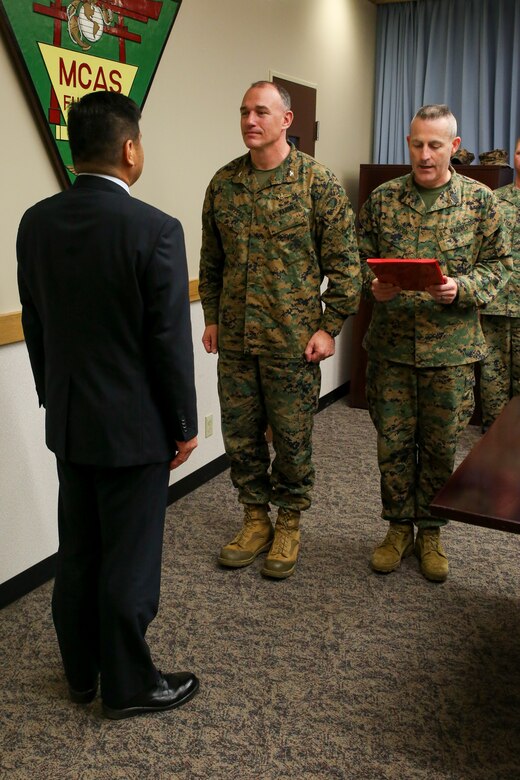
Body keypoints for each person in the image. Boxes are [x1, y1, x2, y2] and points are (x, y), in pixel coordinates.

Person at [17, 91, 199, 719]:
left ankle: (80, 673)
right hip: (135, 430)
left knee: (79, 551)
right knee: (129, 561)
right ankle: (129, 686)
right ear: (130, 149)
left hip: (70, 422)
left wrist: (55, 403)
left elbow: (37, 328)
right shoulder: (156, 229)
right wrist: (184, 425)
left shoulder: (35, 222)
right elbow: (169, 343)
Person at [199, 80, 360, 579]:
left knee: (292, 440)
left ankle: (288, 522)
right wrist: (211, 317)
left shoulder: (317, 183)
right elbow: (211, 262)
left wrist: (330, 326)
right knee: (241, 438)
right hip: (238, 343)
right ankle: (254, 519)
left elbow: (347, 267)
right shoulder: (223, 183)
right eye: (244, 111)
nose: (250, 120)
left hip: (294, 345)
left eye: (261, 112)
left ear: (286, 121)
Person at [357, 104, 511, 582]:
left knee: (441, 446)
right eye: (417, 144)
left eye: (435, 145)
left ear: (454, 147)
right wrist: (373, 284)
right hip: (392, 351)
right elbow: (359, 259)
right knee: (394, 446)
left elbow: (500, 267)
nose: (424, 155)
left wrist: (460, 289)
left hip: (452, 352)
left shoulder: (480, 201)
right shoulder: (383, 200)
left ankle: (432, 532)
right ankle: (398, 528)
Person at [479, 137, 520, 431]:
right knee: (492, 380)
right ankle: (493, 442)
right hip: (495, 305)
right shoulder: (495, 199)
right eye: (519, 152)